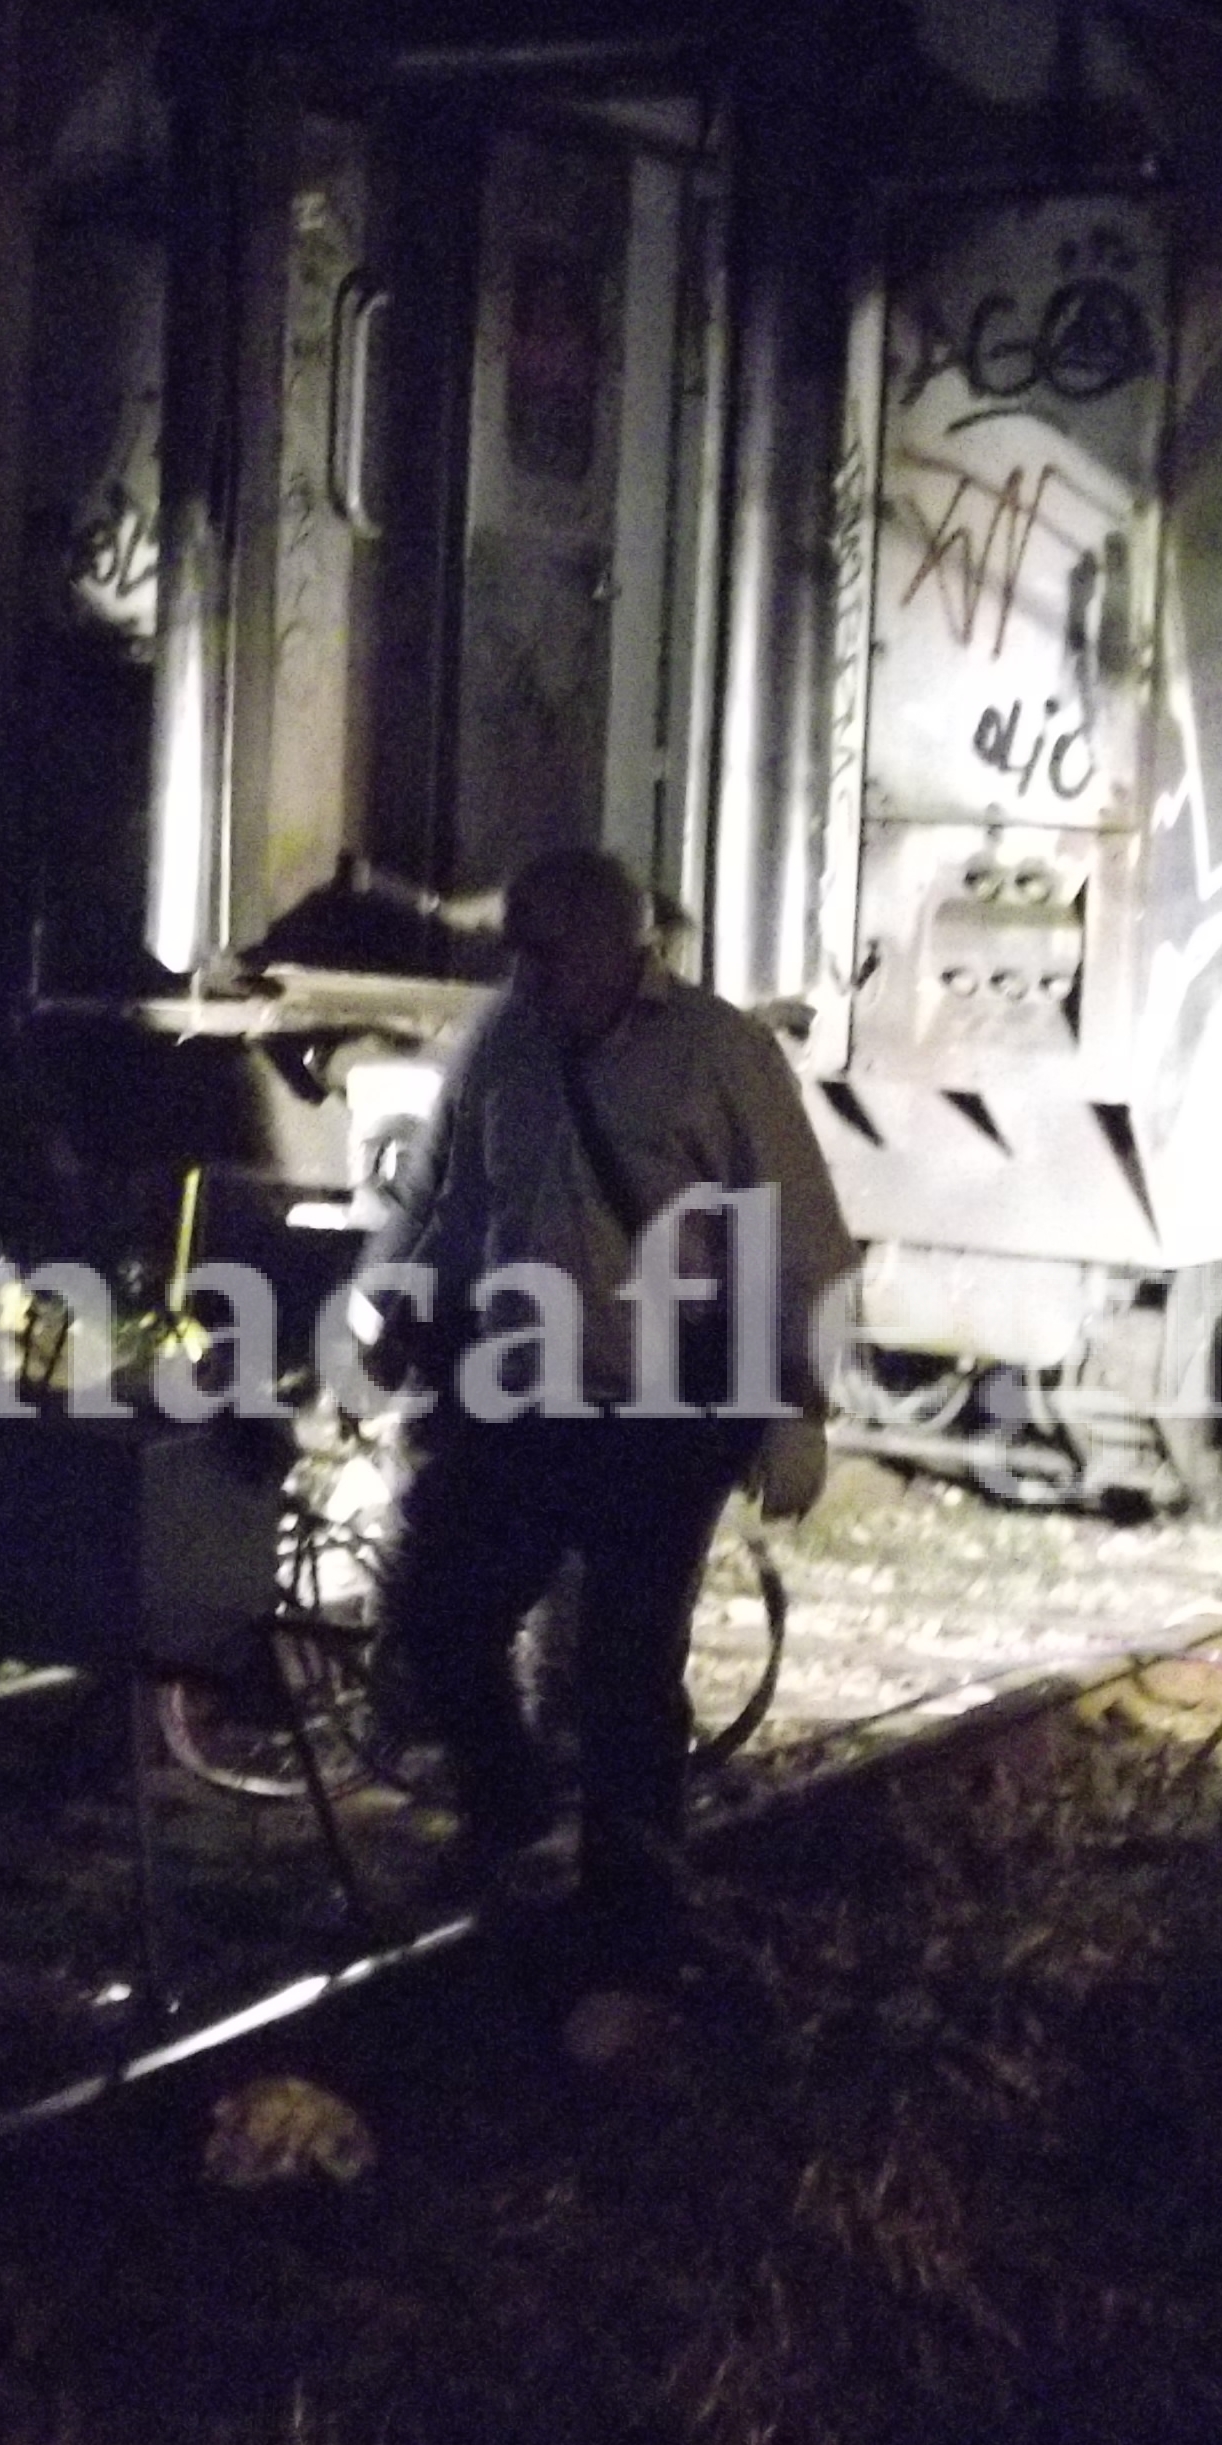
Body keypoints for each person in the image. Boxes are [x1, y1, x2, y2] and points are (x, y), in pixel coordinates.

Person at [365, 848, 856, 1980]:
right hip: (516, 1394)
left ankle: (632, 1905)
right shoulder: (505, 1040)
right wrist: (397, 1298)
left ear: (621, 946)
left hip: (658, 1411)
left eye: (547, 947)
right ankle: (510, 1813)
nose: (526, 971)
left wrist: (796, 1406)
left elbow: (801, 1237)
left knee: (625, 1671)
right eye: (517, 947)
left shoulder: (715, 1053)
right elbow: (444, 1191)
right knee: (441, 1616)